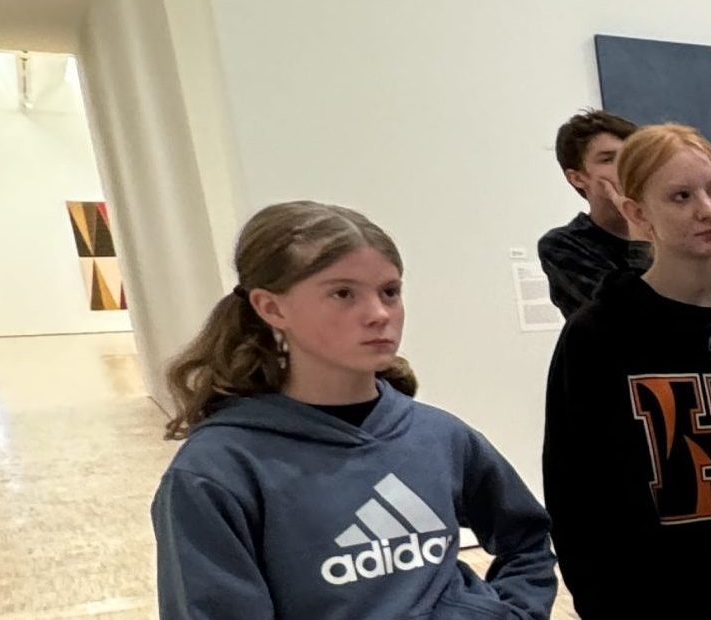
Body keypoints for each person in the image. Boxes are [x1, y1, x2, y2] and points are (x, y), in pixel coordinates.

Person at [153, 201, 555, 618]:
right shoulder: (216, 472)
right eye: (342, 293)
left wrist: (513, 614)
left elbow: (526, 539)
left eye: (390, 292)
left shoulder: (438, 435)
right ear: (271, 308)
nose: (379, 314)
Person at [541, 124, 711, 617]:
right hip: (656, 593)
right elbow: (574, 491)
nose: (707, 209)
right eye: (680, 196)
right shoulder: (597, 334)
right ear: (636, 213)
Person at [538, 109, 647, 316]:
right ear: (577, 178)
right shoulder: (564, 246)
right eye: (608, 159)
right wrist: (639, 229)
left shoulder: (672, 232)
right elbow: (627, 318)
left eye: (632, 157)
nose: (626, 168)